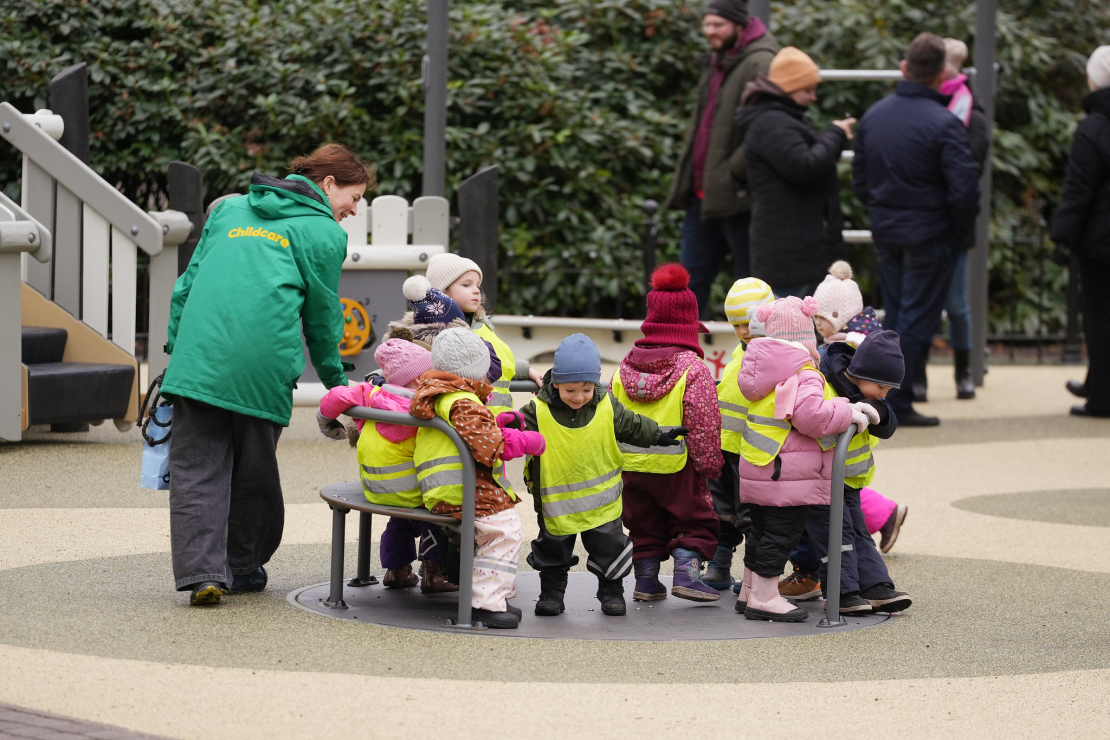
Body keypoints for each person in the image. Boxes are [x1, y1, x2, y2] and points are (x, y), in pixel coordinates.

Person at [162, 143, 372, 606]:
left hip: (197, 361)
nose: (355, 210)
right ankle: (240, 565)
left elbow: (186, 286)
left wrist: (177, 352)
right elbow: (321, 318)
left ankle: (202, 573)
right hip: (263, 367)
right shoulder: (323, 233)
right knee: (254, 472)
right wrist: (337, 381)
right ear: (328, 183)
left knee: (197, 469)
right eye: (354, 198)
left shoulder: (230, 209)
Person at [852, 32, 980, 427]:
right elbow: (964, 191)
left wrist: (879, 212)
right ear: (942, 74)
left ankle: (883, 397)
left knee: (896, 315)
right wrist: (958, 234)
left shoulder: (874, 116)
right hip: (930, 233)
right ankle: (897, 403)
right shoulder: (945, 124)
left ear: (905, 68)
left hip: (888, 229)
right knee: (917, 319)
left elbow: (859, 179)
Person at [516, 334, 675, 618]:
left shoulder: (607, 406)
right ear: (555, 384)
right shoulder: (537, 411)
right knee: (553, 548)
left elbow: (632, 425)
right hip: (555, 504)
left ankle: (611, 591)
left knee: (610, 547)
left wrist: (659, 435)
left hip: (602, 505)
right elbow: (513, 432)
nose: (578, 397)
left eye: (586, 389)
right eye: (570, 390)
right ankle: (552, 593)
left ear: (595, 384)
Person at [733, 296, 869, 622]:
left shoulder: (760, 368)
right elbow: (811, 416)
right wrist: (848, 410)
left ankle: (749, 590)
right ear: (805, 337)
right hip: (786, 474)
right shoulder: (804, 371)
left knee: (761, 533)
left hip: (758, 467)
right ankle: (764, 598)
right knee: (781, 536)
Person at [409, 327, 545, 629]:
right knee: (505, 530)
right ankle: (486, 602)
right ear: (474, 370)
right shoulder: (464, 402)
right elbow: (490, 448)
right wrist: (527, 441)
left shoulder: (442, 396)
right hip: (461, 489)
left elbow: (473, 434)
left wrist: (496, 422)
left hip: (442, 487)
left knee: (498, 527)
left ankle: (497, 593)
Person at [610, 264, 722, 602]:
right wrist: (708, 466)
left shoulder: (623, 367)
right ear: (690, 324)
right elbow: (703, 423)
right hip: (678, 465)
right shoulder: (693, 369)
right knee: (695, 521)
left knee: (643, 523)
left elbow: (611, 417)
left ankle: (646, 583)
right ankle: (686, 577)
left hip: (631, 464)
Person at [663, 0, 779, 318]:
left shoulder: (760, 61)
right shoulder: (720, 59)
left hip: (739, 198)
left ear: (739, 25)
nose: (710, 32)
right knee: (685, 292)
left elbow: (765, 128)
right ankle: (681, 363)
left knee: (753, 293)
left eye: (718, 25)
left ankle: (756, 364)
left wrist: (730, 172)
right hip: (704, 196)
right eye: (707, 25)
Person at [316, 338, 458, 593]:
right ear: (417, 379)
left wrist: (325, 419)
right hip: (414, 493)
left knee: (399, 522)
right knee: (436, 519)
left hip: (375, 489)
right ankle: (434, 573)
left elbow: (336, 395)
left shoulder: (370, 394)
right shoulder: (426, 406)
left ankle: (396, 570)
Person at [806, 329, 913, 614]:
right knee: (836, 536)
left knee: (858, 531)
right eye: (881, 388)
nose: (883, 395)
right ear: (862, 374)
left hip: (848, 480)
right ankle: (842, 592)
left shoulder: (869, 392)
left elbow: (888, 425)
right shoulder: (825, 382)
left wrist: (879, 409)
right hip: (820, 478)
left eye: (888, 391)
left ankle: (876, 586)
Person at [736, 46, 854, 298]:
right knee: (790, 332)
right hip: (790, 258)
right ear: (787, 89)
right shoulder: (772, 123)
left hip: (795, 255)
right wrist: (835, 134)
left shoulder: (780, 119)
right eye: (807, 90)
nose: (814, 97)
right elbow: (805, 166)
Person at [913, 37, 992, 403]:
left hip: (951, 225)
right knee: (922, 304)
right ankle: (918, 376)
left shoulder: (970, 115)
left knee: (956, 304)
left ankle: (962, 373)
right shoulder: (931, 110)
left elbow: (970, 171)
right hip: (926, 221)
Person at [702, 276, 774, 590]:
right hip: (725, 445)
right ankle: (718, 565)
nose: (743, 331)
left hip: (752, 449)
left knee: (751, 515)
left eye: (748, 322)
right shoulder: (740, 351)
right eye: (736, 325)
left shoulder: (775, 353)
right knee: (721, 512)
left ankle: (752, 577)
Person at [1051, 45, 1110, 418]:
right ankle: (1097, 382)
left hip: (1102, 243)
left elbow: (1079, 190)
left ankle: (1102, 396)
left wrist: (1062, 237)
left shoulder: (1094, 126)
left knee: (1101, 319)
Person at [424, 253, 542, 415]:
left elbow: (496, 359)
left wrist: (522, 370)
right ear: (442, 292)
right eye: (466, 285)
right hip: (468, 423)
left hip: (497, 419)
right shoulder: (441, 333)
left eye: (477, 285)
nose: (476, 291)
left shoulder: (481, 324)